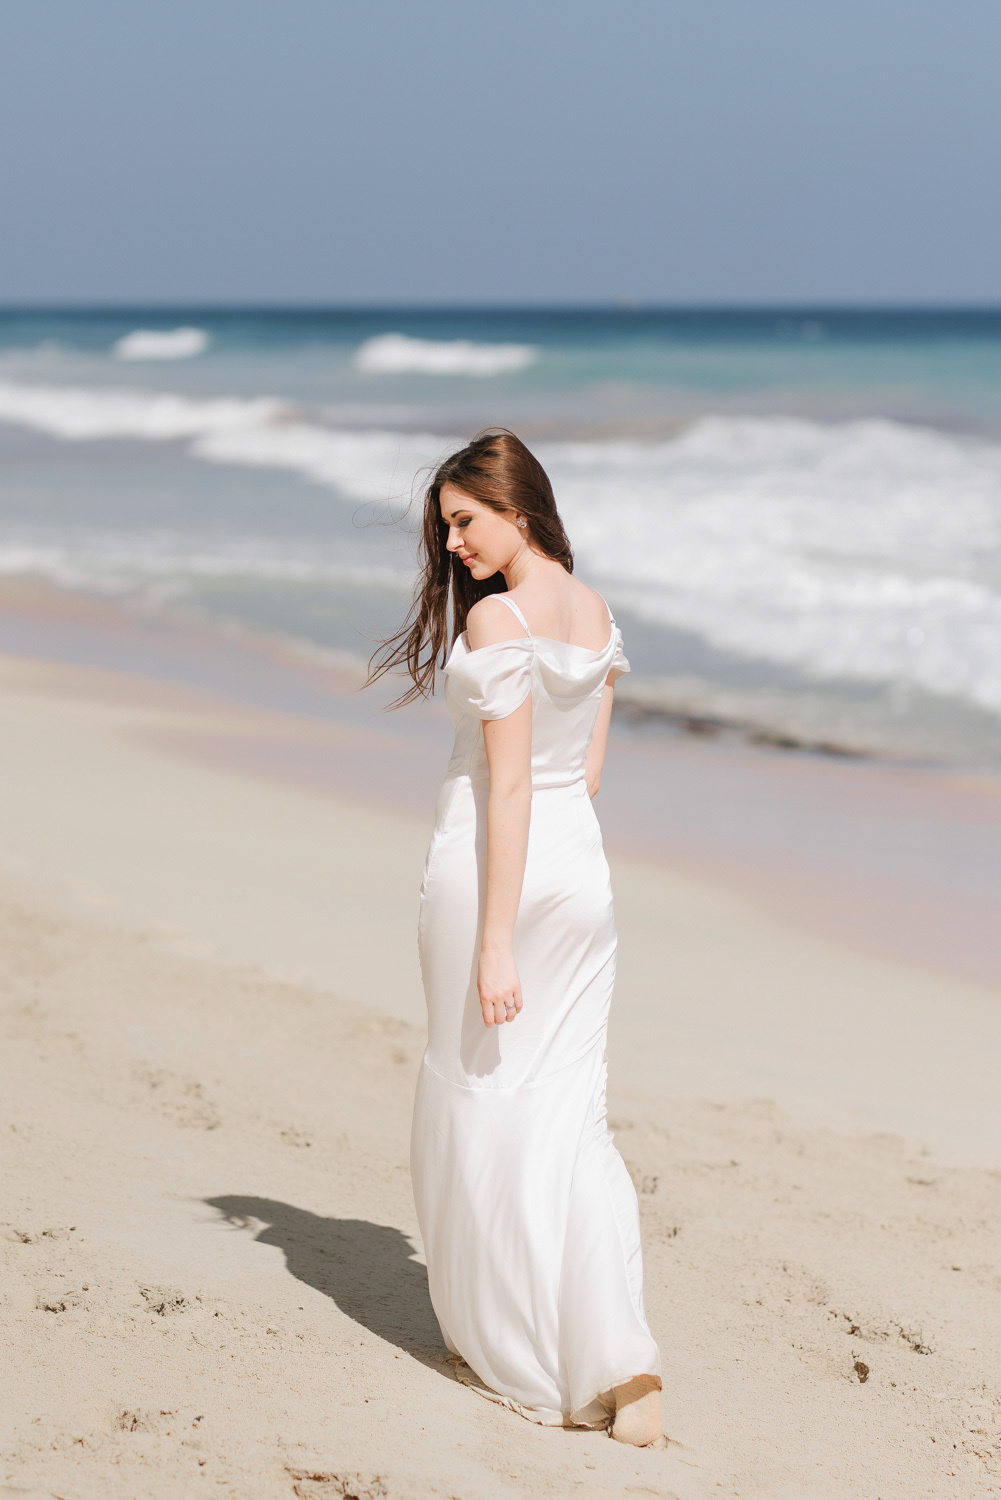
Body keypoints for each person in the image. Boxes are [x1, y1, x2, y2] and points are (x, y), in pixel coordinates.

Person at [369, 430, 664, 1446]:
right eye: (445, 526)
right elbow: (580, 775)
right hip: (580, 878)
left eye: (463, 520)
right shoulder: (594, 612)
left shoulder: (499, 618)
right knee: (571, 1114)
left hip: (496, 873)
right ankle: (619, 1358)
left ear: (517, 507)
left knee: (480, 1091)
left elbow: (505, 787)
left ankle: (516, 1352)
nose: (451, 544)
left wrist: (496, 940)